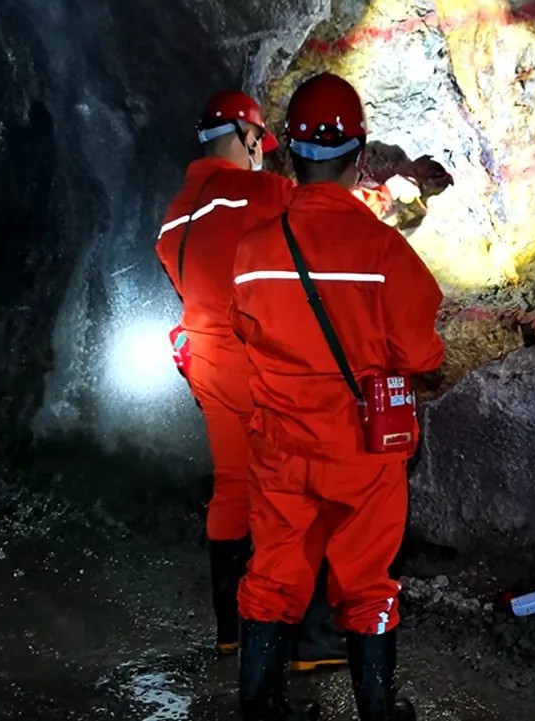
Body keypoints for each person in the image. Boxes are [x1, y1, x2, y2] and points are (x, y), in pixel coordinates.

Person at [230, 72, 445, 721]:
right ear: (358, 158)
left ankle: (260, 708)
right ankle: (377, 711)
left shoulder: (252, 250)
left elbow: (244, 333)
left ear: (291, 157)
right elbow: (421, 355)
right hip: (362, 447)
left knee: (271, 572)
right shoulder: (383, 250)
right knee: (367, 578)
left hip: (280, 444)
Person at [154, 90, 346, 672]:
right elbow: (325, 214)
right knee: (301, 488)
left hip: (207, 365)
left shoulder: (174, 217)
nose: (261, 151)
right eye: (259, 141)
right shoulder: (256, 192)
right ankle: (309, 640)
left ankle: (231, 631)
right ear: (245, 135)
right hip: (257, 365)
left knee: (234, 487)